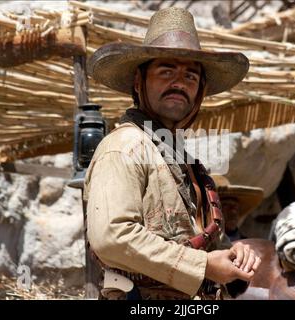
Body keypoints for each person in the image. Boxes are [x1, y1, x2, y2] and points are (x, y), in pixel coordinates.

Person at [84, 7, 261, 300]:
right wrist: (203, 265)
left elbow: (202, 243)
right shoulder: (125, 147)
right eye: (166, 72)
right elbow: (111, 237)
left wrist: (232, 254)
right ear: (139, 83)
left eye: (191, 76)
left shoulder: (187, 165)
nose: (179, 83)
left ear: (200, 91)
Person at [211, 175, 264, 241]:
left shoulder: (247, 245)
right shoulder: (204, 245)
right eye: (226, 205)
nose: (233, 211)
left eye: (236, 206)